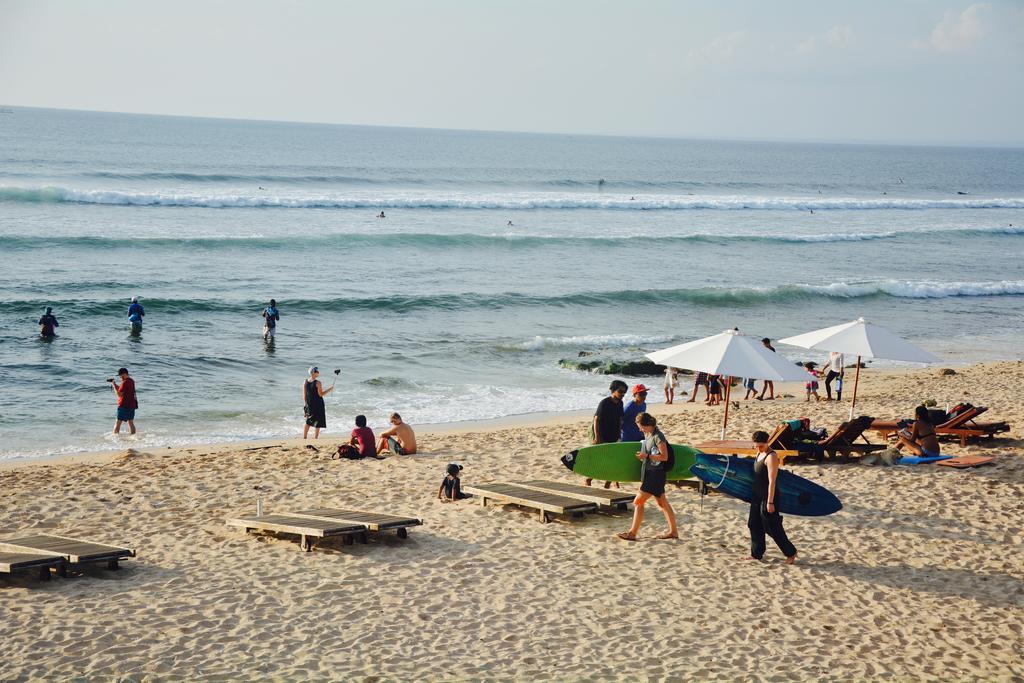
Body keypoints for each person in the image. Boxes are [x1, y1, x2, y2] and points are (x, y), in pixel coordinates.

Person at [617, 413, 678, 541]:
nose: (640, 430)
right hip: (652, 473)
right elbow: (651, 454)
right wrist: (644, 458)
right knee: (662, 503)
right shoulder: (648, 434)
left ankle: (632, 533)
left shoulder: (658, 436)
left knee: (638, 502)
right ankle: (673, 532)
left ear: (648, 425)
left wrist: (647, 457)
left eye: (641, 427)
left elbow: (664, 456)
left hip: (656, 475)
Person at [747, 430, 798, 564]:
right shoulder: (759, 453)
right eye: (756, 446)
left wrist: (770, 502)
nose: (758, 448)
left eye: (761, 446)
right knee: (754, 524)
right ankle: (756, 554)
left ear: (767, 442)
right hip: (756, 496)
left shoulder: (771, 457)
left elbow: (772, 481)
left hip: (769, 497)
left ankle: (791, 553)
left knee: (773, 528)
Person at [588, 380, 627, 487]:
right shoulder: (604, 403)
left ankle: (608, 484)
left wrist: (619, 435)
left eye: (624, 392)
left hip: (613, 434)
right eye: (620, 391)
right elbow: (596, 420)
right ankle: (588, 478)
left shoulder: (620, 403)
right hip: (602, 434)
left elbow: (619, 419)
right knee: (600, 460)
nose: (622, 394)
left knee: (613, 460)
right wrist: (597, 437)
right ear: (613, 390)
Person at [302, 367, 333, 439]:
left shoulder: (305, 382)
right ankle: (315, 438)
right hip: (318, 404)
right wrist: (330, 389)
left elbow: (304, 396)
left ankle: (304, 437)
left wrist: (306, 405)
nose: (318, 372)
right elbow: (321, 394)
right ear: (313, 373)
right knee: (318, 421)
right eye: (316, 371)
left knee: (308, 421)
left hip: (309, 404)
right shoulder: (318, 383)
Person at [110, 367, 138, 435]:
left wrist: (113, 386)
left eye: (120, 375)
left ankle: (115, 439)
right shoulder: (131, 381)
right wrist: (115, 384)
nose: (120, 377)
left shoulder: (125, 382)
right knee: (131, 422)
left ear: (124, 374)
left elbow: (119, 394)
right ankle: (133, 437)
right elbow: (121, 390)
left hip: (124, 405)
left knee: (118, 422)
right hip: (132, 405)